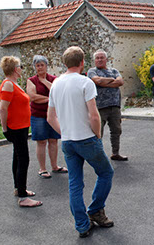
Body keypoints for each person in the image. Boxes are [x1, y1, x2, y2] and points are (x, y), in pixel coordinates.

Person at [47, 46, 114, 238]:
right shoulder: (85, 82)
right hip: (86, 139)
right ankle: (96, 210)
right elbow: (94, 115)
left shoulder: (56, 84)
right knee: (106, 173)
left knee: (75, 184)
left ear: (65, 62)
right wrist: (97, 135)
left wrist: (65, 132)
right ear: (82, 62)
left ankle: (82, 225)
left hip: (68, 141)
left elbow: (50, 118)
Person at [0, 56, 42, 207]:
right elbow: (3, 108)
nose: (22, 69)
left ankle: (19, 189)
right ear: (16, 69)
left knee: (17, 158)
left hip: (22, 127)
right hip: (15, 128)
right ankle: (23, 197)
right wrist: (5, 129)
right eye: (21, 66)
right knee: (23, 159)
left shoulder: (14, 84)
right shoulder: (8, 85)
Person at [26, 55, 67, 179]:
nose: (39, 68)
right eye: (37, 65)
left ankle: (54, 166)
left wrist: (44, 82)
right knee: (41, 142)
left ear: (46, 66)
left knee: (53, 140)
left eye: (42, 65)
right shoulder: (31, 80)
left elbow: (57, 92)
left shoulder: (53, 79)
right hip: (38, 115)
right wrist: (50, 99)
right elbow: (32, 97)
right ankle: (42, 168)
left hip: (53, 114)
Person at [87, 49, 128, 161]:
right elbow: (97, 81)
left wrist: (104, 82)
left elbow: (120, 82)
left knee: (116, 130)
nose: (99, 60)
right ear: (94, 60)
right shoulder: (92, 71)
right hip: (100, 107)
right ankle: (98, 156)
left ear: (106, 59)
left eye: (102, 57)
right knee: (98, 132)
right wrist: (111, 81)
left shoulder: (114, 70)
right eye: (97, 58)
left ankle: (115, 153)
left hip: (114, 106)